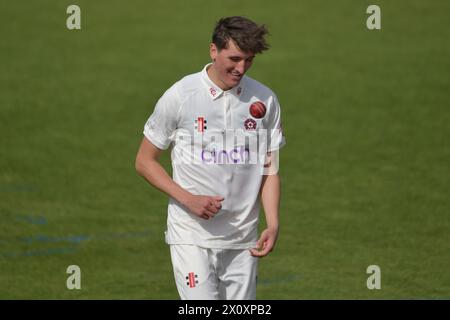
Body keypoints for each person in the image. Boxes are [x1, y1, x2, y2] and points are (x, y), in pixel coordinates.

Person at [135, 16, 285, 300]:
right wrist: (188, 198)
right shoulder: (181, 95)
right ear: (213, 51)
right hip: (191, 235)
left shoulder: (264, 101)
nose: (241, 68)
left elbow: (270, 170)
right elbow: (144, 161)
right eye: (234, 58)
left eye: (249, 60)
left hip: (243, 238)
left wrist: (273, 223)